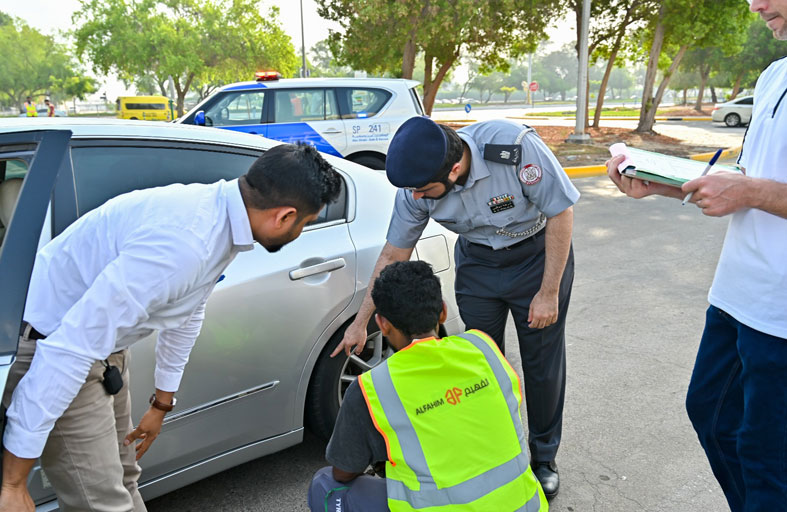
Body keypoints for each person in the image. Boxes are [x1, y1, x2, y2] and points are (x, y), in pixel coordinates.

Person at [0, 143, 342, 512]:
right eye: (305, 223)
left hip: (102, 350)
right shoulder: (184, 244)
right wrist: (13, 483)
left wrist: (162, 403)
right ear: (284, 215)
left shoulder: (216, 219)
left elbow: (187, 313)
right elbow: (68, 350)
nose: (302, 231)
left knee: (125, 478)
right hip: (54, 347)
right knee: (101, 503)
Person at [332, 116, 579, 498]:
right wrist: (361, 322)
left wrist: (549, 293)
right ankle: (487, 446)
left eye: (425, 190)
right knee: (473, 361)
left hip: (537, 257)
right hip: (479, 264)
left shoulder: (512, 149)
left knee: (541, 364)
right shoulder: (417, 186)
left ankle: (543, 457)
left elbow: (561, 212)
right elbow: (394, 254)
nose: (416, 197)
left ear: (456, 167)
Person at [606, 2, 787, 509]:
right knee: (710, 415)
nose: (756, 5)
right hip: (735, 297)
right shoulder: (775, 74)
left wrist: (750, 193)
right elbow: (748, 179)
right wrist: (661, 185)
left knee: (767, 457)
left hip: (782, 318)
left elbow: (754, 190)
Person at [309, 261, 548, 512]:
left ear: (382, 324)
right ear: (443, 312)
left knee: (325, 485)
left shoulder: (374, 387)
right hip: (525, 506)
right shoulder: (483, 348)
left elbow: (344, 472)